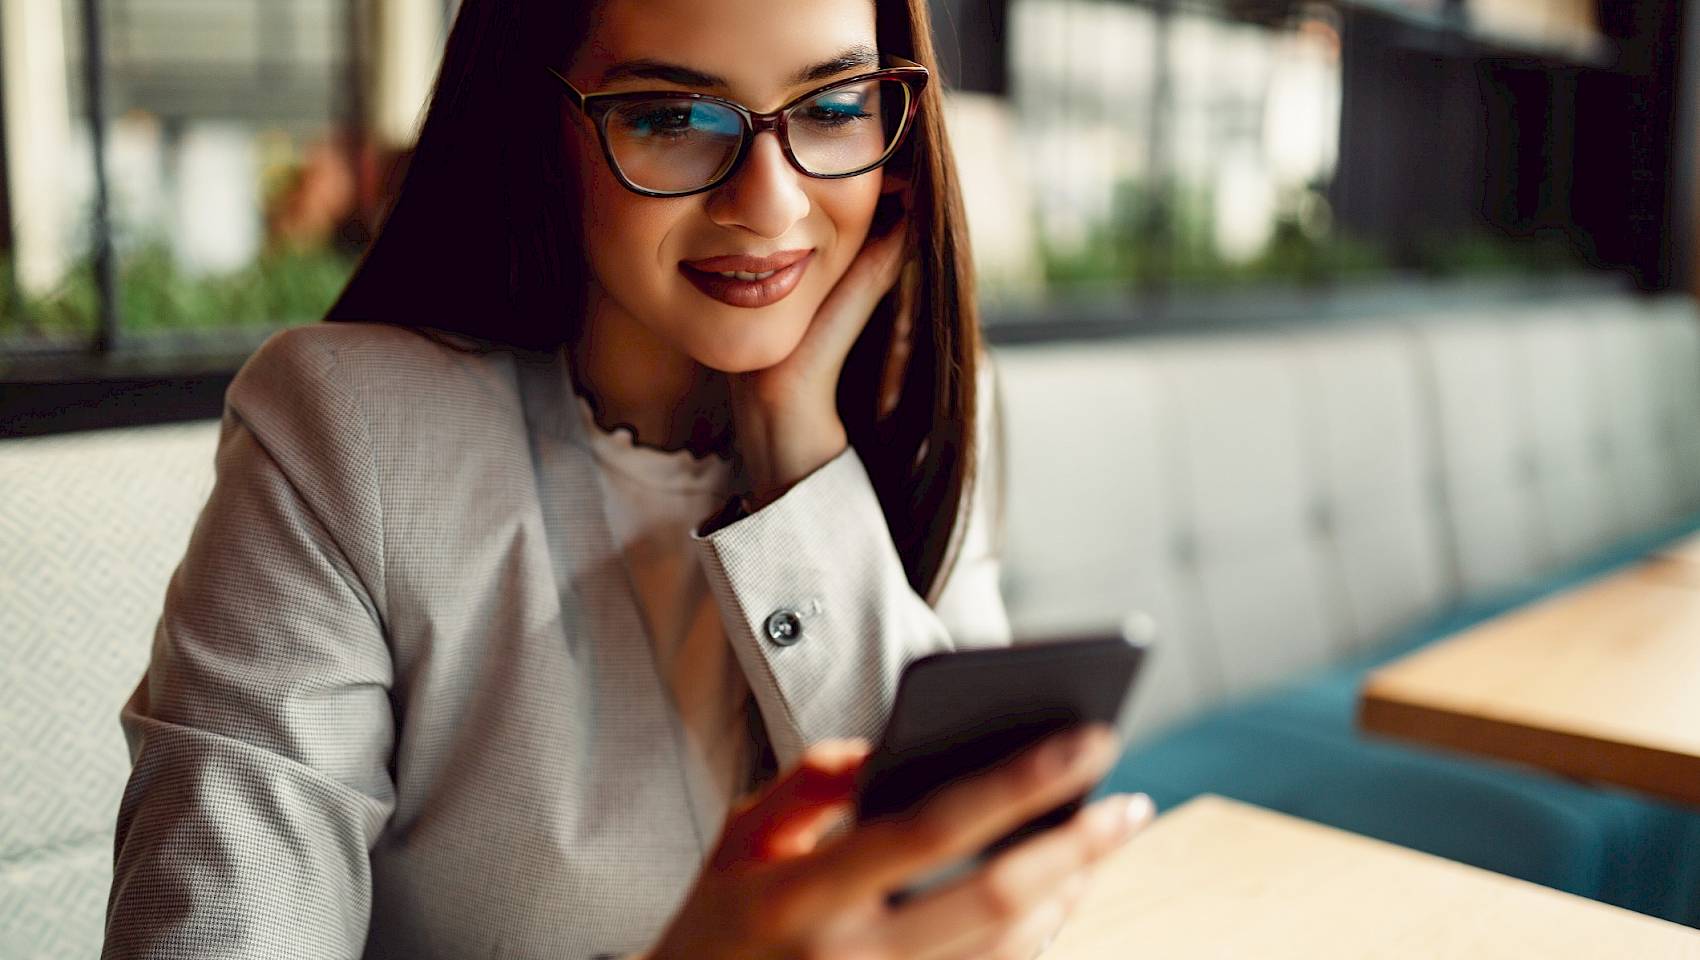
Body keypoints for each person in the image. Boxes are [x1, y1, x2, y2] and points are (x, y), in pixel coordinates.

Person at [101, 0, 1155, 956]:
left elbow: (967, 884)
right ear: (539, 126)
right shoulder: (345, 436)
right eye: (669, 117)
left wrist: (800, 450)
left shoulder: (910, 409)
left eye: (833, 105)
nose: (771, 204)